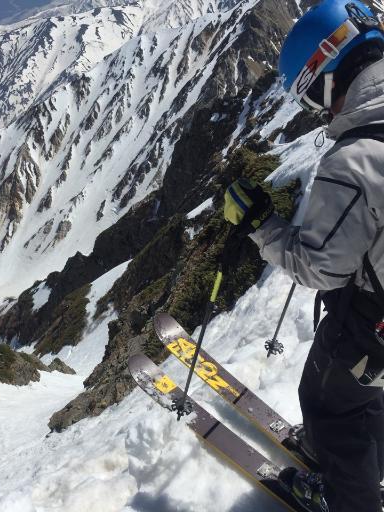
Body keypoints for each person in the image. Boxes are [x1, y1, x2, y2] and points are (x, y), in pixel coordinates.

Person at [223, 1, 384, 511]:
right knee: (361, 393)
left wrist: (259, 225)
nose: (320, 110)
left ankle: (348, 496)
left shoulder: (356, 161)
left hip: (371, 317)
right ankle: (369, 461)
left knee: (326, 403)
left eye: (314, 96)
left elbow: (319, 266)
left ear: (330, 74)